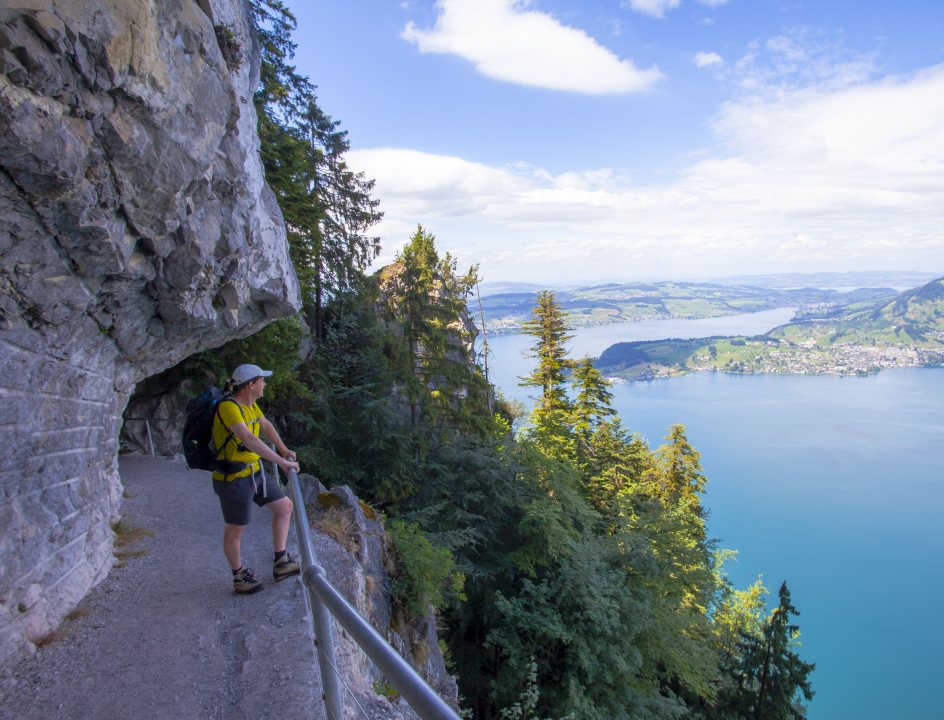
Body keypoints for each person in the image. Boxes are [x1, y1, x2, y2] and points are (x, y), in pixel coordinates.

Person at [211, 363, 302, 594]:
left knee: (284, 506)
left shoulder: (251, 405)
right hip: (233, 478)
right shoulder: (229, 407)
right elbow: (249, 439)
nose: (265, 384)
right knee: (235, 529)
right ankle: (239, 577)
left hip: (253, 472)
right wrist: (283, 463)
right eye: (262, 380)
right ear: (250, 385)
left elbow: (266, 426)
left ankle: (281, 562)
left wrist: (284, 450)